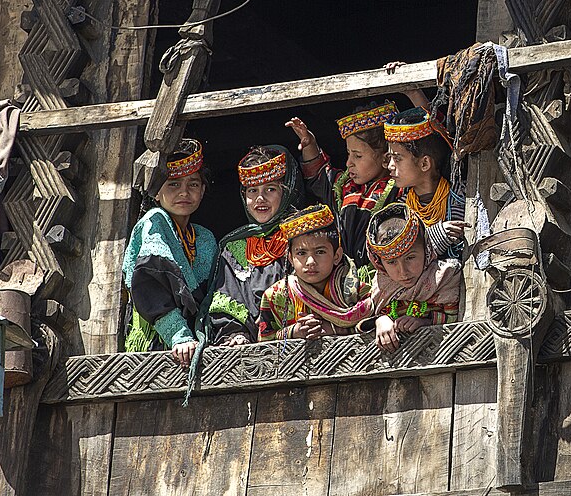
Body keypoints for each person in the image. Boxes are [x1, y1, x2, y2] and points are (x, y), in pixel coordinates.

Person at [122, 139, 217, 366]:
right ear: (156, 193)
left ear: (203, 190)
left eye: (193, 184)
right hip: (159, 342)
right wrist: (178, 335)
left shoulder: (205, 238)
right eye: (173, 184)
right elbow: (149, 288)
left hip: (196, 343)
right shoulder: (153, 224)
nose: (184, 192)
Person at [205, 145, 303, 345]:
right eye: (252, 190)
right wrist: (237, 333)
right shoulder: (233, 248)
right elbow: (226, 296)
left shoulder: (302, 236)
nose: (260, 198)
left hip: (302, 337)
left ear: (287, 192)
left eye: (270, 189)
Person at [286, 101, 399, 268]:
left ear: (386, 158)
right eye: (348, 154)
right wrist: (310, 144)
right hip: (342, 273)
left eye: (358, 156)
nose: (349, 163)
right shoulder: (345, 187)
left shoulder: (398, 189)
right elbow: (320, 175)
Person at [257, 203, 386, 340]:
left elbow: (376, 324)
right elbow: (262, 340)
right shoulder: (275, 296)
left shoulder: (360, 291)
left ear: (337, 256)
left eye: (320, 252)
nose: (310, 261)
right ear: (290, 258)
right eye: (301, 253)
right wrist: (293, 331)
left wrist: (333, 329)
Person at [365, 203, 462, 353]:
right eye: (391, 262)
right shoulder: (380, 287)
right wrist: (380, 321)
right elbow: (359, 322)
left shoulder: (445, 277)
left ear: (426, 249)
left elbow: (457, 318)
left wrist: (426, 322)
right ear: (379, 262)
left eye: (410, 258)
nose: (403, 272)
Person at [383, 107, 466, 259]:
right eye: (390, 158)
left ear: (425, 164)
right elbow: (394, 258)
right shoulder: (399, 209)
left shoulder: (461, 199)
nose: (390, 166)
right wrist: (437, 236)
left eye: (398, 158)